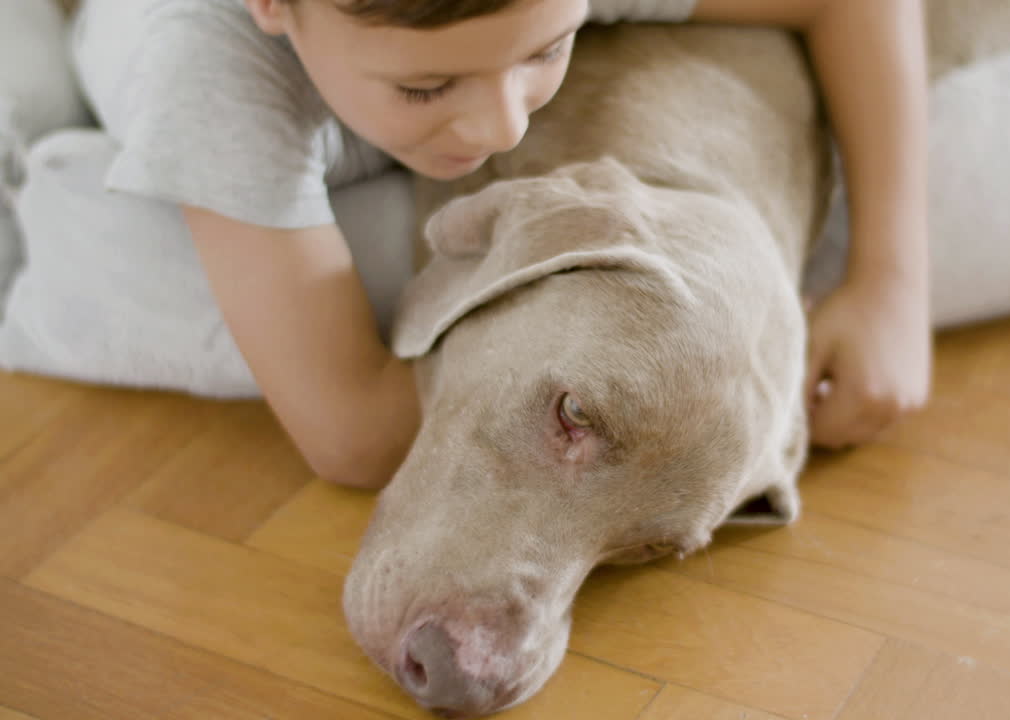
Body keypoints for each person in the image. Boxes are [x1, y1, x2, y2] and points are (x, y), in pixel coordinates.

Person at [68, 0, 931, 489]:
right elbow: (354, 437)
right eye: (426, 85)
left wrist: (892, 279)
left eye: (549, 49)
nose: (504, 123)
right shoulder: (206, 70)